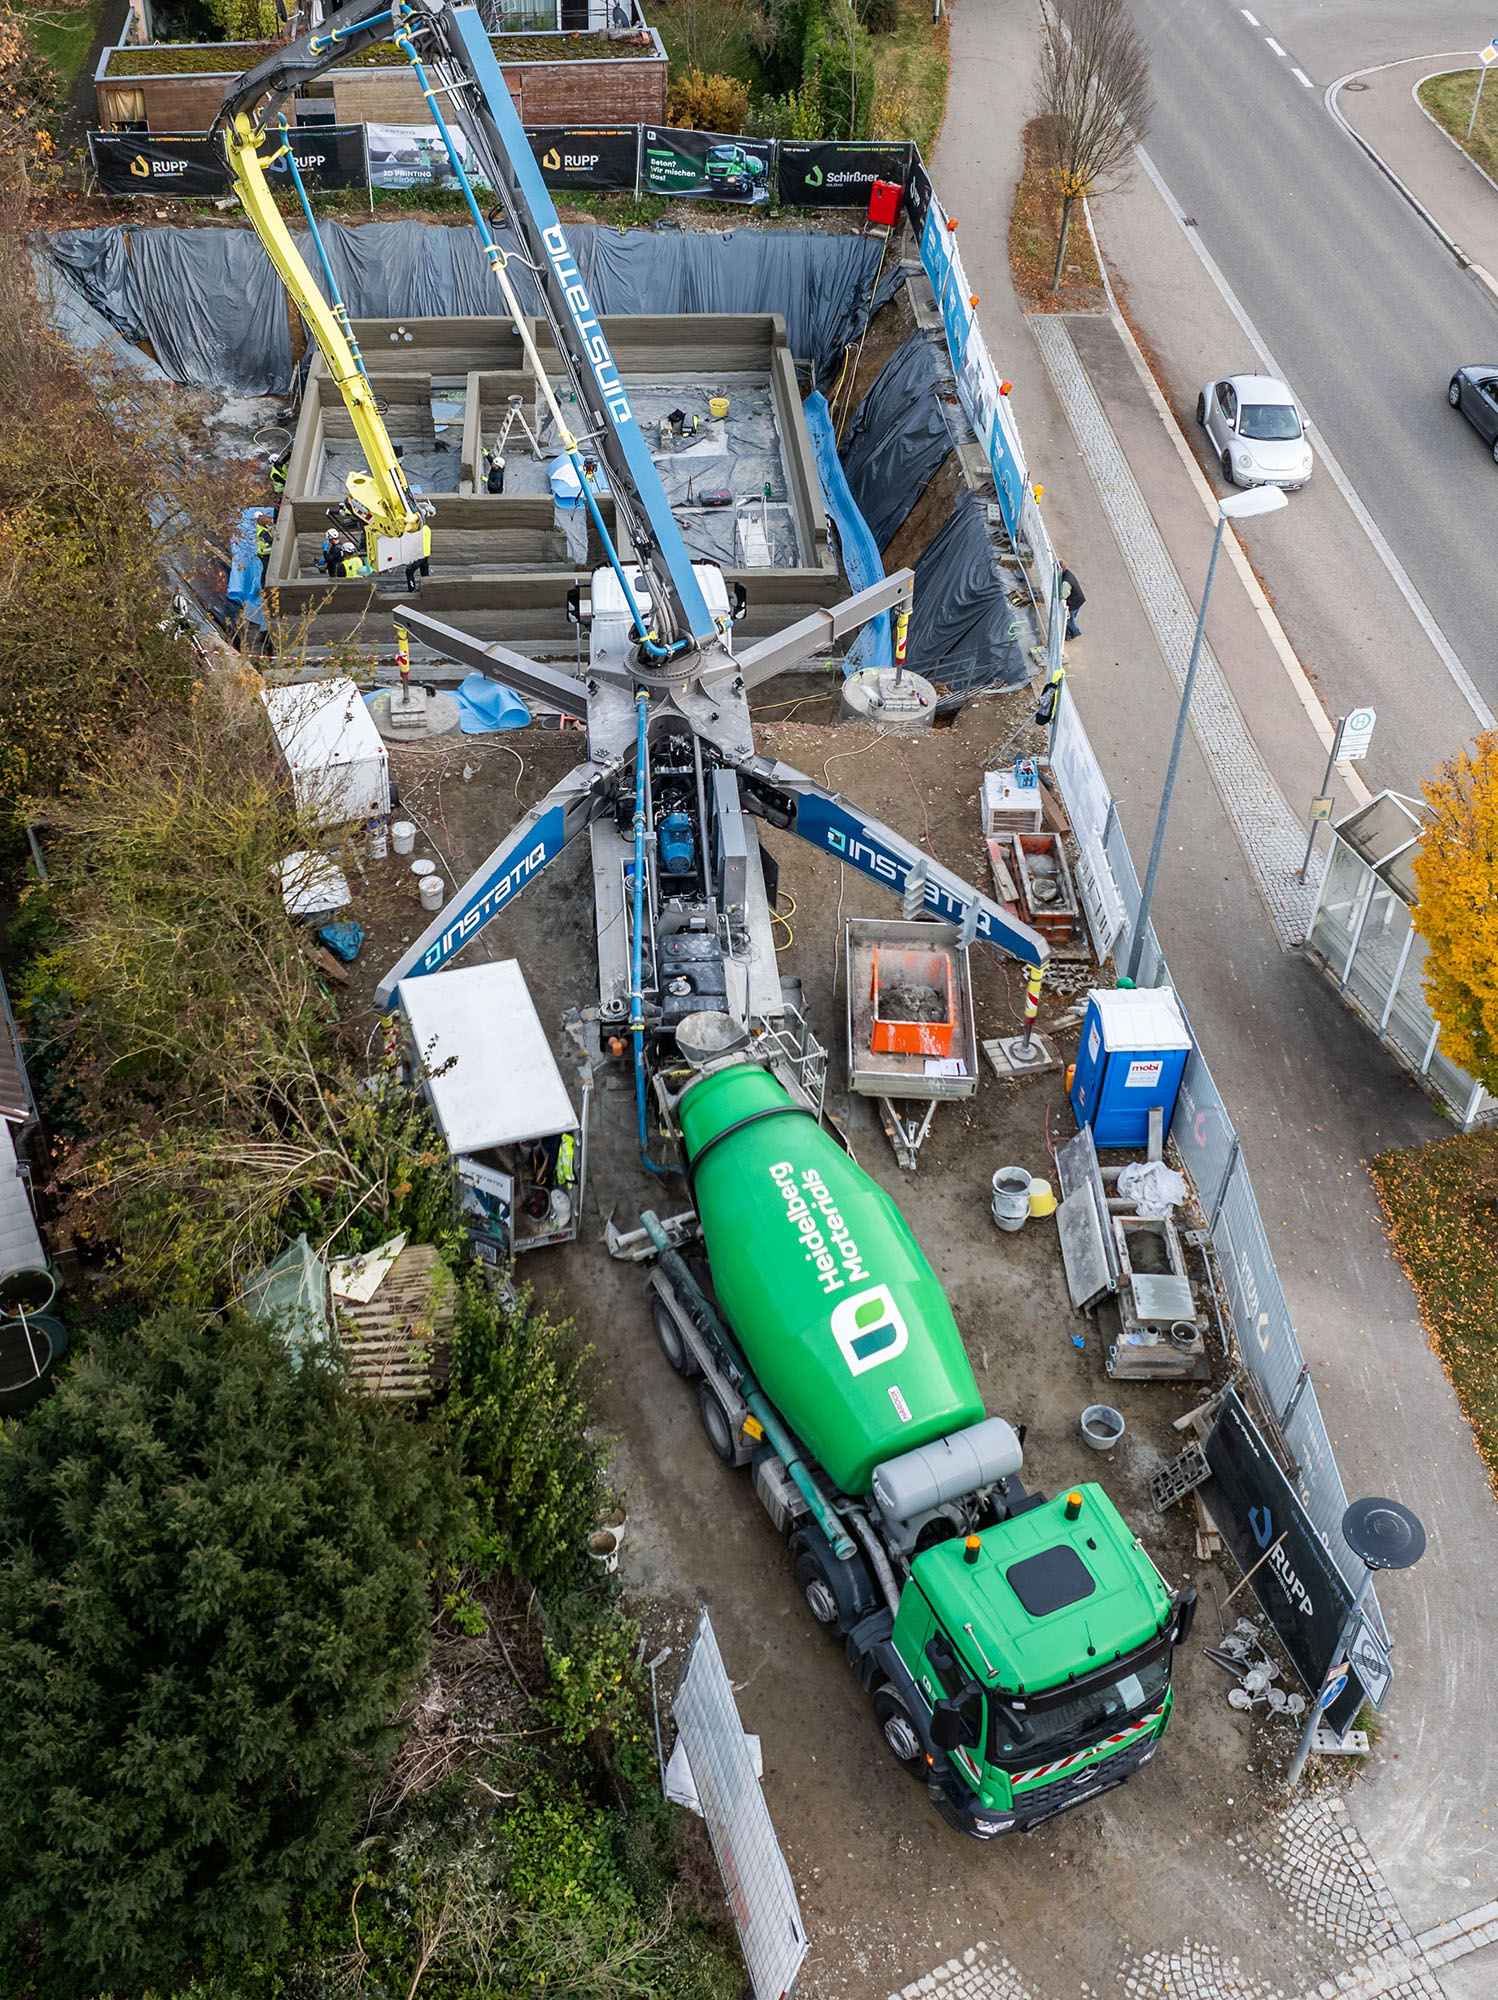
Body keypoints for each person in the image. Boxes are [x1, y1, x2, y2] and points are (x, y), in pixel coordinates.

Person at [1060, 566, 1086, 639]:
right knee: (1070, 618)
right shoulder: (1068, 574)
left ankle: (1076, 632)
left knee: (1069, 620)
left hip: (1074, 602)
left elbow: (1063, 595)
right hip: (1079, 600)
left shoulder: (1066, 582)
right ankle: (1068, 635)